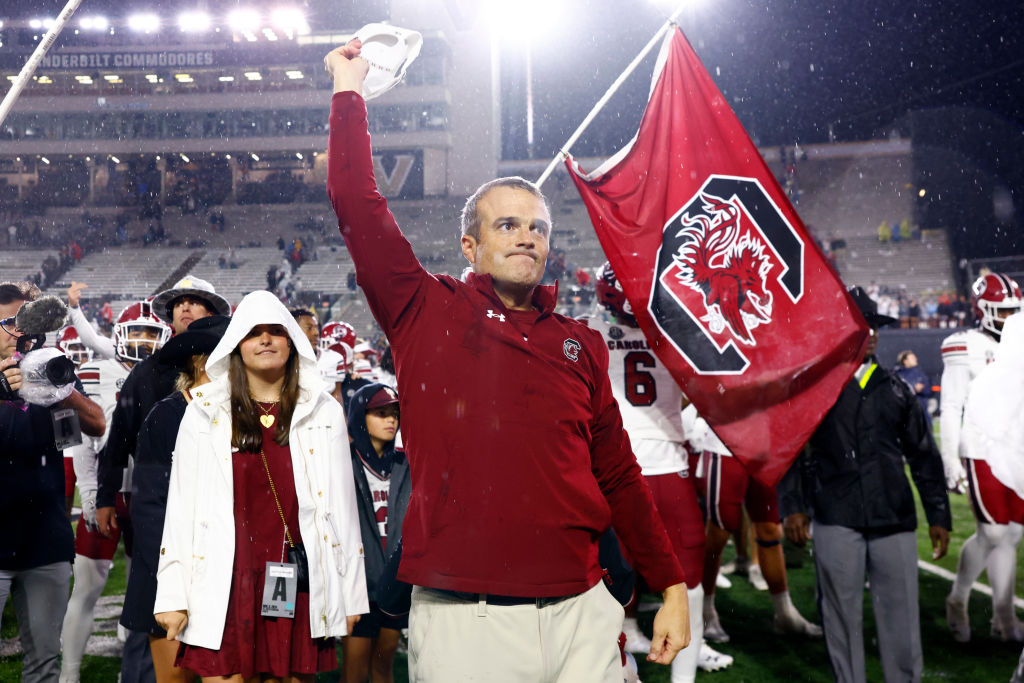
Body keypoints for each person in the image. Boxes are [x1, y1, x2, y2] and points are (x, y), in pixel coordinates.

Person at [325, 40, 690, 682]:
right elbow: (356, 202)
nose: (527, 235)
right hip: (470, 614)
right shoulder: (422, 308)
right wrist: (349, 89)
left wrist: (673, 584)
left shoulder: (580, 342)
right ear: (470, 244)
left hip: (584, 605)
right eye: (507, 225)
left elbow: (619, 474)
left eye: (539, 227)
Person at [153, 290, 367, 680]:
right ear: (237, 345)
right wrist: (171, 594)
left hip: (296, 577)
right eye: (254, 333)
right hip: (222, 577)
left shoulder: (326, 412)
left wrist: (351, 594)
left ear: (292, 342)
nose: (265, 339)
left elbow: (343, 511)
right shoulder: (203, 413)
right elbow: (181, 510)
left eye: (275, 331)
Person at [780, 286, 951, 683]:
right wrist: (793, 506)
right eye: (862, 324)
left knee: (902, 619)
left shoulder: (896, 387)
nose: (871, 332)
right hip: (835, 514)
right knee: (840, 618)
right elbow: (794, 451)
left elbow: (924, 455)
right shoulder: (816, 388)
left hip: (892, 514)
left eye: (874, 325)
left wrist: (938, 513)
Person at [589, 262, 732, 681]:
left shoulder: (585, 331)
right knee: (687, 581)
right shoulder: (672, 333)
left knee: (605, 580)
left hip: (612, 467)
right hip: (668, 467)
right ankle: (681, 674)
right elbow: (703, 392)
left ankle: (618, 664)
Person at [95, 275, 230, 682]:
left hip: (215, 515)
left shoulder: (237, 380)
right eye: (179, 302)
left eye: (196, 302)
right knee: (153, 607)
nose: (185, 308)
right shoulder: (146, 373)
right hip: (158, 504)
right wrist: (104, 496)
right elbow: (117, 439)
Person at [60, 300, 172, 683]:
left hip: (150, 494)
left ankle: (135, 660)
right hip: (108, 492)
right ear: (118, 335)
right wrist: (90, 492)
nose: (142, 341)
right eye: (135, 332)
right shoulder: (94, 371)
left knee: (149, 586)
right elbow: (78, 441)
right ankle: (69, 673)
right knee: (87, 587)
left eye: (150, 333)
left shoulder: (170, 373)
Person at [1, 281, 105, 683]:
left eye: (26, 321)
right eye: (10, 321)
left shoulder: (46, 364)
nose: (21, 330)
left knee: (44, 665)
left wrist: (58, 388)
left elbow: (96, 423)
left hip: (44, 538)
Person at [693, 408, 821, 643]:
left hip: (764, 443)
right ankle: (705, 610)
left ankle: (784, 613)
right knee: (720, 529)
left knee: (770, 529)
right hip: (726, 441)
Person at [942, 273, 1024, 643]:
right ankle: (957, 599)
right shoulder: (965, 345)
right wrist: (950, 460)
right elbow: (951, 405)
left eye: (1014, 310)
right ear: (982, 310)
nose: (1009, 317)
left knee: (1014, 534)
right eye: (1003, 310)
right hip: (981, 447)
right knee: (992, 531)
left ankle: (1003, 620)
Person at [344, 383, 411, 683]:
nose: (391, 420)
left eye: (395, 414)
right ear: (360, 416)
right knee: (354, 673)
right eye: (381, 413)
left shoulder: (405, 463)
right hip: (358, 583)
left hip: (393, 584)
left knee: (383, 669)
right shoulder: (343, 462)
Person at [894, 350, 932, 427]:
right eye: (912, 358)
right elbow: (897, 391)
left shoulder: (920, 373)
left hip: (922, 413)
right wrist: (913, 388)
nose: (916, 359)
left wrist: (921, 389)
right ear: (905, 361)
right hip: (904, 414)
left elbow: (928, 390)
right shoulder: (897, 374)